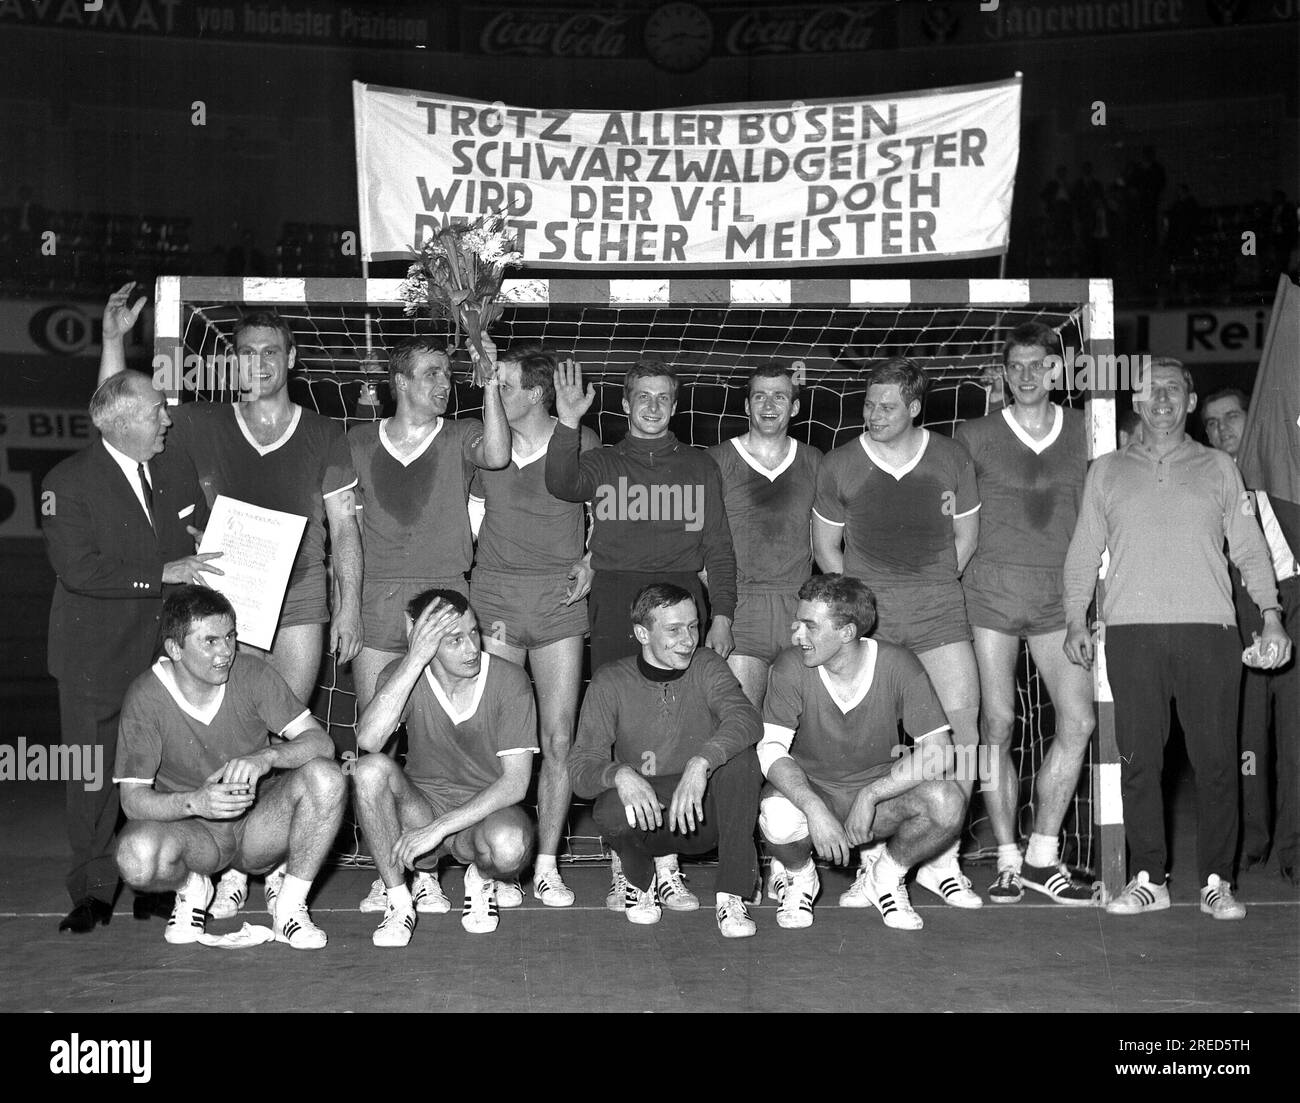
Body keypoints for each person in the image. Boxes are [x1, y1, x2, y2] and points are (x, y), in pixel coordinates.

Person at [99, 283, 362, 919]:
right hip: (223, 595)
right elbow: (117, 413)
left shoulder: (326, 432)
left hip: (298, 593)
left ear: (292, 358)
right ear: (232, 361)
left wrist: (347, 605)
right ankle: (231, 861)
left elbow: (346, 529)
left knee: (281, 724)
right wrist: (112, 341)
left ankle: (267, 858)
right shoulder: (198, 422)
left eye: (272, 352)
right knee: (232, 722)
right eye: (246, 353)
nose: (259, 364)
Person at [1064, 359, 1291, 919]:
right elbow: (1082, 550)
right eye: (1148, 390)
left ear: (1189, 403)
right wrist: (1075, 618)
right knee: (1139, 762)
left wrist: (1270, 613)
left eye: (1172, 390)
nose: (1159, 398)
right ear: (1135, 403)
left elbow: (1249, 548)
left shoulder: (1218, 468)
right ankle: (1149, 878)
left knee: (1216, 762)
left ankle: (1217, 880)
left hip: (1210, 632)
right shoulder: (1106, 471)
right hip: (1130, 634)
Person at [546, 356, 739, 908]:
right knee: (626, 722)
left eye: (664, 398)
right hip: (615, 601)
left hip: (682, 599)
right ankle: (625, 864)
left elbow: (719, 547)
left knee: (681, 721)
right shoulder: (602, 460)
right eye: (643, 397)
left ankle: (668, 860)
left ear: (675, 406)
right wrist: (566, 421)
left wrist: (721, 612)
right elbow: (561, 483)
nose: (653, 406)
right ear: (626, 404)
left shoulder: (700, 465)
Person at [42, 366, 219, 934]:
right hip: (94, 658)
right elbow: (77, 569)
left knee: (166, 773)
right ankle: (93, 892)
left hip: (165, 655)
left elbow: (201, 538)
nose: (167, 419)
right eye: (154, 412)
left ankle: (156, 883)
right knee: (93, 777)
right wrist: (162, 570)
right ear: (117, 427)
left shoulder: (175, 467)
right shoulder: (65, 482)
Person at [812, 357, 983, 909]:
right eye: (868, 404)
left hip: (939, 617)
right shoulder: (840, 465)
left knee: (963, 735)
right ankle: (870, 866)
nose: (873, 414)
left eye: (887, 406)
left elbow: (966, 539)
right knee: (873, 742)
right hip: (871, 624)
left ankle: (940, 861)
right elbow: (825, 551)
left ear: (914, 407)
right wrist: (864, 611)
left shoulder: (952, 458)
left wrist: (925, 587)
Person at [113, 587, 345, 948]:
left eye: (230, 637)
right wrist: (195, 803)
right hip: (195, 833)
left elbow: (322, 743)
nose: (225, 652)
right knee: (136, 858)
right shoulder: (145, 696)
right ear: (175, 649)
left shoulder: (252, 673)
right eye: (210, 641)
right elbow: (132, 800)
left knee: (328, 777)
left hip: (258, 823)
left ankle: (289, 908)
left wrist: (266, 757)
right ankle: (192, 888)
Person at [955, 324, 1095, 904]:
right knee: (999, 725)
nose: (1029, 375)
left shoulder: (1089, 431)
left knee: (1079, 722)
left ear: (1057, 370)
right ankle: (1008, 856)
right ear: (1004, 373)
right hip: (991, 592)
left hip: (1061, 598)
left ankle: (1044, 853)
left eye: (1039, 364)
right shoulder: (973, 436)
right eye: (1017, 366)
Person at [466, 343, 599, 907]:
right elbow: (472, 525)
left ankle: (545, 863)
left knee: (558, 738)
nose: (497, 393)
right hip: (496, 599)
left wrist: (591, 560)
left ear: (539, 393)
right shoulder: (486, 450)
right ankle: (493, 861)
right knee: (498, 740)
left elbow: (608, 518)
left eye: (507, 385)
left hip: (557, 605)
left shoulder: (583, 444)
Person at [757, 575, 963, 931]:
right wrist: (813, 806)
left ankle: (884, 877)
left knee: (948, 802)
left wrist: (872, 794)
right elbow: (769, 748)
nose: (796, 636)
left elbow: (940, 752)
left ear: (847, 633)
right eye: (797, 624)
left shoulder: (898, 664)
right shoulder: (790, 666)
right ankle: (800, 877)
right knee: (776, 815)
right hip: (814, 792)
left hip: (875, 804)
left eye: (809, 626)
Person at [568, 583, 762, 937]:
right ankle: (640, 880)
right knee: (609, 808)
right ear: (643, 633)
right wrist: (618, 773)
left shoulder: (707, 664)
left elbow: (746, 719)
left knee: (742, 760)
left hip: (699, 814)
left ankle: (732, 896)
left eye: (693, 626)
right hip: (649, 814)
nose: (688, 639)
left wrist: (702, 760)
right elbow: (581, 767)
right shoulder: (610, 680)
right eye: (673, 629)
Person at [351, 590, 537, 944]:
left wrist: (439, 829)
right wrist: (413, 661)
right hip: (422, 809)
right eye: (454, 639)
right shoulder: (401, 674)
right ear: (425, 641)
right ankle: (399, 901)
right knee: (368, 770)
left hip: (482, 814)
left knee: (510, 847)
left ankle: (480, 881)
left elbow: (516, 784)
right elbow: (369, 741)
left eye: (473, 632)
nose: (470, 648)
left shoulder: (509, 680)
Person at [348, 335, 509, 711]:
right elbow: (347, 535)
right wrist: (348, 607)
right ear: (401, 381)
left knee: (447, 721)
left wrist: (489, 380)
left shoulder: (460, 434)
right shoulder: (358, 441)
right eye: (432, 374)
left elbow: (498, 455)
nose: (444, 385)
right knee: (377, 722)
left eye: (448, 376)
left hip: (446, 595)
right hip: (377, 596)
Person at [1202, 387, 1300, 881]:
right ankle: (1249, 842)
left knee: (1296, 736)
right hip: (1236, 611)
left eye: (1232, 417)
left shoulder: (1289, 478)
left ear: (1254, 419)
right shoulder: (1205, 484)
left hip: (1294, 603)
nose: (1222, 430)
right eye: (1212, 423)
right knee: (1246, 742)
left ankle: (1296, 849)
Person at [707, 362, 822, 707]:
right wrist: (720, 610)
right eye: (759, 396)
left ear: (795, 407)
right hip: (741, 608)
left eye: (780, 397)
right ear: (746, 406)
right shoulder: (716, 461)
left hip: (799, 605)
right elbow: (700, 545)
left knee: (796, 732)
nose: (769, 405)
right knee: (743, 726)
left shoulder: (815, 461)